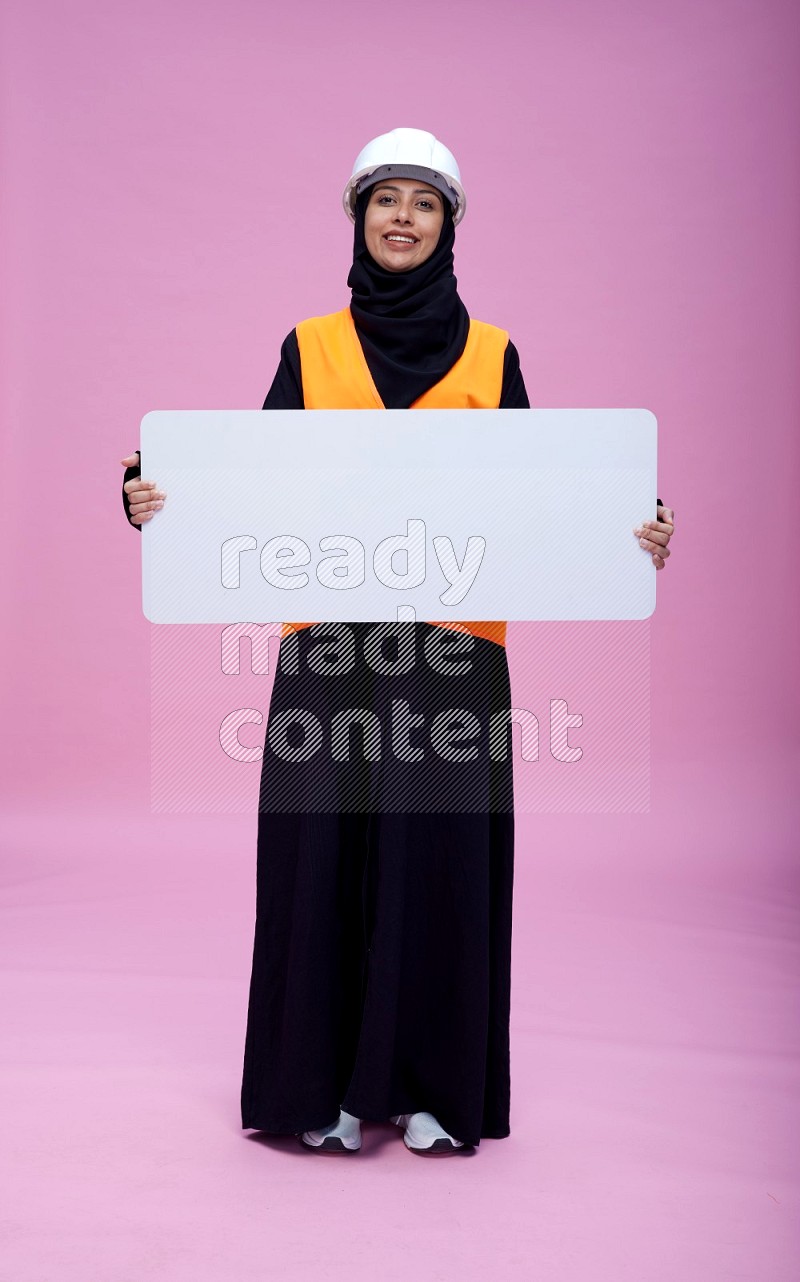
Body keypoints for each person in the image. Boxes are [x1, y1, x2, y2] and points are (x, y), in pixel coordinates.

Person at [120, 128, 676, 1156]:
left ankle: (430, 1085)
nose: (403, 219)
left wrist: (628, 528)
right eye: (386, 201)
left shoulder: (491, 352)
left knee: (438, 861)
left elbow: (544, 496)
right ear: (357, 217)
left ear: (450, 224)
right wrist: (155, 497)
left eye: (424, 203)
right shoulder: (310, 346)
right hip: (331, 648)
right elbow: (248, 483)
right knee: (320, 855)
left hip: (452, 650)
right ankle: (318, 1088)